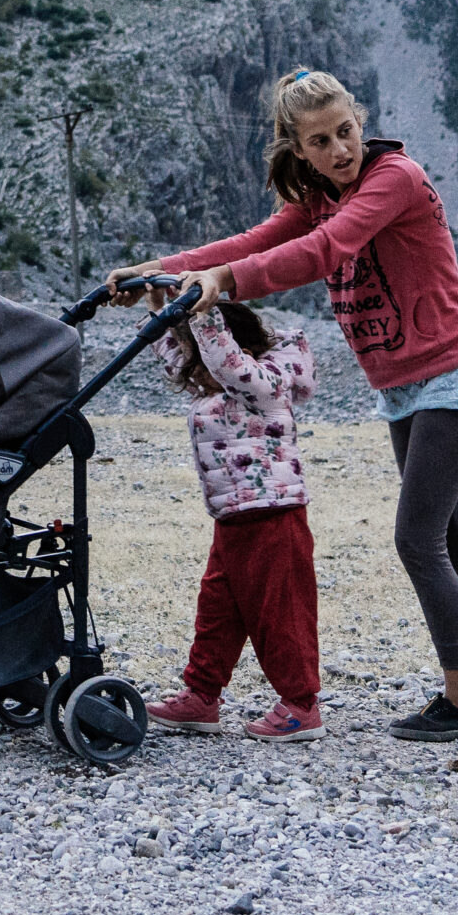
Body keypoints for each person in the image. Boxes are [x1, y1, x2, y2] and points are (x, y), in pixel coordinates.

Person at [110, 67, 458, 742]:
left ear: (360, 120)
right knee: (452, 538)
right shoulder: (320, 194)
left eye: (345, 131)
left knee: (418, 539)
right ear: (299, 149)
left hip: (448, 373)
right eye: (320, 141)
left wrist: (222, 281)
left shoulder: (393, 178)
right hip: (400, 383)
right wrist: (165, 271)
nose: (340, 149)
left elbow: (324, 250)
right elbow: (258, 242)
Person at [141, 300, 323, 742]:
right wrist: (158, 308)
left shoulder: (264, 383)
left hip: (274, 515)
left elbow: (228, 363)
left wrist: (202, 314)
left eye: (202, 358)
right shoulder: (211, 388)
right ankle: (202, 695)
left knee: (282, 613)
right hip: (232, 519)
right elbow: (176, 354)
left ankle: (302, 705)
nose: (194, 371)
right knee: (217, 610)